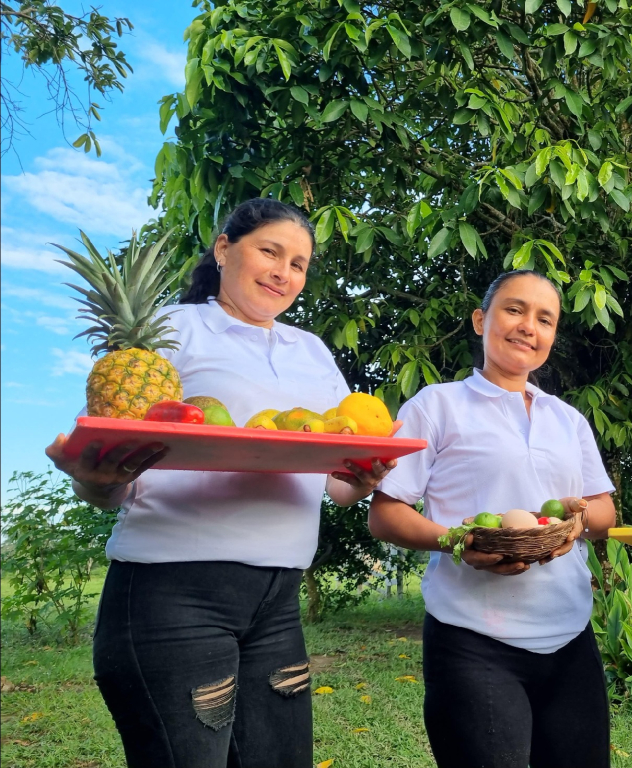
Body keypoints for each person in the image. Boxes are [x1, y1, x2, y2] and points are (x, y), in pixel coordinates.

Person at [46, 199, 395, 768]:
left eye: (300, 264)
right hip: (171, 593)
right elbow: (114, 484)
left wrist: (365, 475)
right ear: (224, 248)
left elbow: (335, 485)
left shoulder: (311, 350)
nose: (285, 272)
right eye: (270, 251)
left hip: (277, 598)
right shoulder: (170, 332)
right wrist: (96, 482)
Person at [368, 270, 617, 768]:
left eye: (545, 319)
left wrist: (575, 522)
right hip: (473, 642)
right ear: (481, 320)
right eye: (514, 309)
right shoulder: (437, 405)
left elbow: (604, 510)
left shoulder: (567, 419)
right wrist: (458, 542)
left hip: (570, 637)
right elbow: (386, 514)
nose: (529, 326)